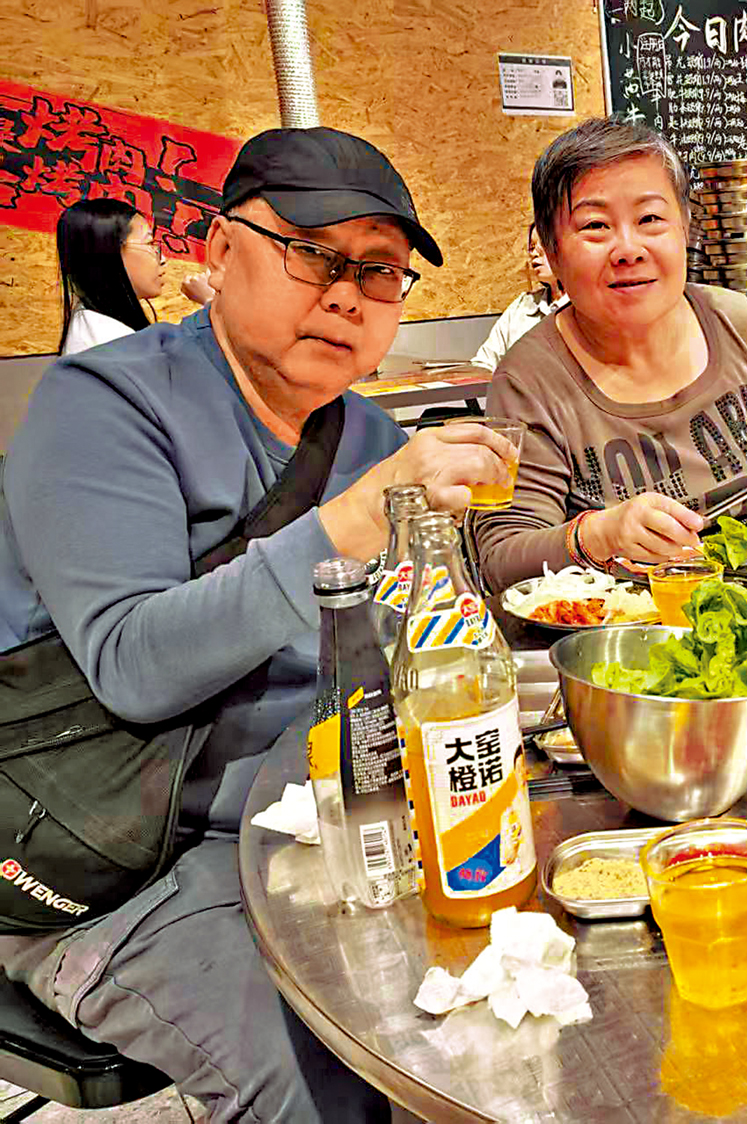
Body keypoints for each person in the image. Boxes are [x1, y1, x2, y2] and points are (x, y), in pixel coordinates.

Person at [0, 127, 515, 1121]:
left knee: (487, 1002)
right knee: (316, 1079)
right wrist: (364, 514)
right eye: (312, 252)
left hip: (311, 820)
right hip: (102, 858)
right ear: (219, 250)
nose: (346, 292)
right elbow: (133, 666)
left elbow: (407, 640)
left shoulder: (365, 432)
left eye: (379, 270)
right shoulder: (103, 407)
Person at [473, 118, 747, 587]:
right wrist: (598, 536)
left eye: (650, 219)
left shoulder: (734, 319)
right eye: (595, 225)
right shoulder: (528, 379)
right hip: (627, 637)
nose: (628, 248)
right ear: (552, 252)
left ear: (684, 228)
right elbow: (500, 558)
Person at [55, 198, 216, 356]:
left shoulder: (92, 322)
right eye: (150, 244)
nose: (162, 259)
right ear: (110, 254)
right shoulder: (110, 343)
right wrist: (212, 304)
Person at [469, 221, 568, 372]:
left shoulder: (587, 308)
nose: (534, 253)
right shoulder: (521, 306)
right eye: (531, 247)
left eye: (542, 244)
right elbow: (484, 363)